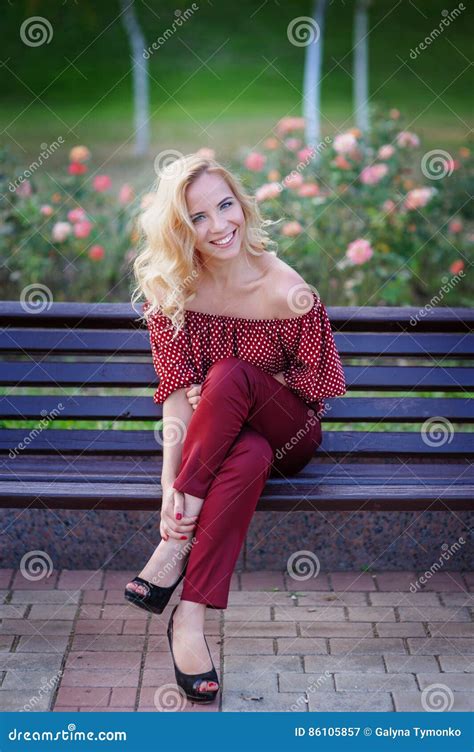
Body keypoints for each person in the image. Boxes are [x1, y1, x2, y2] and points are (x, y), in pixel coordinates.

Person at [125, 153, 346, 704]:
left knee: (229, 377)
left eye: (226, 207)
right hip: (227, 448)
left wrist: (244, 389)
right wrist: (167, 489)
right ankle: (190, 621)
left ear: (242, 207)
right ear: (181, 229)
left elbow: (317, 383)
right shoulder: (174, 291)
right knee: (245, 453)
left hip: (292, 433)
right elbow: (176, 400)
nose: (219, 226)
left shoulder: (283, 288)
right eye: (199, 217)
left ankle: (170, 554)